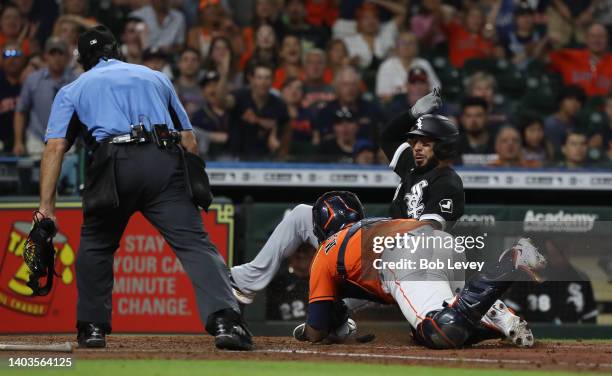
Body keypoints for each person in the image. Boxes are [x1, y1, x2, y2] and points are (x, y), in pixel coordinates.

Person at [39, 25, 252, 351]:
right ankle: (226, 322)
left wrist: (46, 208)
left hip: (112, 165)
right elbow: (189, 139)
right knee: (195, 244)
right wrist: (192, 184)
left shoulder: (74, 88)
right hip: (162, 161)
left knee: (96, 244)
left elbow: (55, 147)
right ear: (118, 50)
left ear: (82, 59)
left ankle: (92, 328)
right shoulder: (155, 77)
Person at [230, 90, 466, 303]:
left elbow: (429, 232)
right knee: (303, 214)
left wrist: (377, 233)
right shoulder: (412, 166)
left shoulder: (448, 183)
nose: (416, 147)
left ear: (443, 148)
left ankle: (339, 319)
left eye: (425, 143)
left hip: (408, 266)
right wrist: (413, 113)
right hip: (379, 255)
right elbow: (388, 137)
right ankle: (248, 280)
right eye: (415, 141)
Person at [292, 191, 546, 349]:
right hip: (440, 242)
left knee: (440, 329)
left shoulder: (325, 250)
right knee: (425, 333)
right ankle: (492, 314)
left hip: (399, 255)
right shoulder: (372, 225)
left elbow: (316, 330)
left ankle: (510, 262)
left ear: (321, 228)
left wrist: (305, 331)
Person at [227, 62, 289, 159]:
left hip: (267, 159)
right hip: (237, 158)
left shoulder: (279, 104)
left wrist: (280, 146)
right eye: (259, 78)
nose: (263, 82)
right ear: (250, 79)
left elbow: (285, 129)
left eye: (267, 78)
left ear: (273, 80)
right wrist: (223, 76)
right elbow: (221, 102)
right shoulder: (239, 97)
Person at [314, 66, 384, 145]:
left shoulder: (371, 109)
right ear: (337, 87)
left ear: (358, 87)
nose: (350, 89)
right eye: (345, 84)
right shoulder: (326, 112)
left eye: (353, 84)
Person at [547, 23, 612, 97]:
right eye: (592, 36)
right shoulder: (570, 56)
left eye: (601, 36)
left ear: (607, 40)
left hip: (603, 107)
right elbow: (539, 58)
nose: (597, 40)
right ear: (586, 39)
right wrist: (546, 40)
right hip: (574, 106)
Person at [375, 31, 440, 101]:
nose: (407, 46)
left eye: (411, 43)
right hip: (396, 106)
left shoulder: (424, 64)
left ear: (416, 47)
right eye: (402, 43)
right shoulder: (386, 66)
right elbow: (383, 95)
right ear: (396, 46)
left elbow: (437, 88)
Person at [265, 242, 316, 320]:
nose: (301, 254)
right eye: (297, 250)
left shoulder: (321, 281)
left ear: (314, 252)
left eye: (306, 250)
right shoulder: (277, 284)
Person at [191, 70, 230, 159]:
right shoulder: (199, 115)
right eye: (209, 86)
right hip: (208, 163)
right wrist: (211, 136)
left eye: (217, 85)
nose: (213, 90)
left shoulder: (235, 112)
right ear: (203, 91)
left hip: (238, 161)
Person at [0, 43, 26, 154]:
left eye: (16, 55)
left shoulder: (32, 81)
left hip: (26, 142)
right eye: (7, 55)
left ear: (24, 59)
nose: (11, 59)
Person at [456, 96, 496, 166]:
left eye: (478, 116)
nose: (473, 121)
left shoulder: (499, 144)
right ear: (462, 119)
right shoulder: (454, 147)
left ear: (487, 118)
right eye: (469, 116)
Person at [543, 85, 586, 151]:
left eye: (578, 100)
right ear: (561, 102)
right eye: (570, 99)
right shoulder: (551, 124)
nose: (574, 104)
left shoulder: (578, 122)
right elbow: (555, 152)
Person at [174, 48, 205, 119]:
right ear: (179, 64)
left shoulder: (205, 88)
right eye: (185, 59)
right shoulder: (170, 88)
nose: (190, 63)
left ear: (199, 64)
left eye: (194, 60)